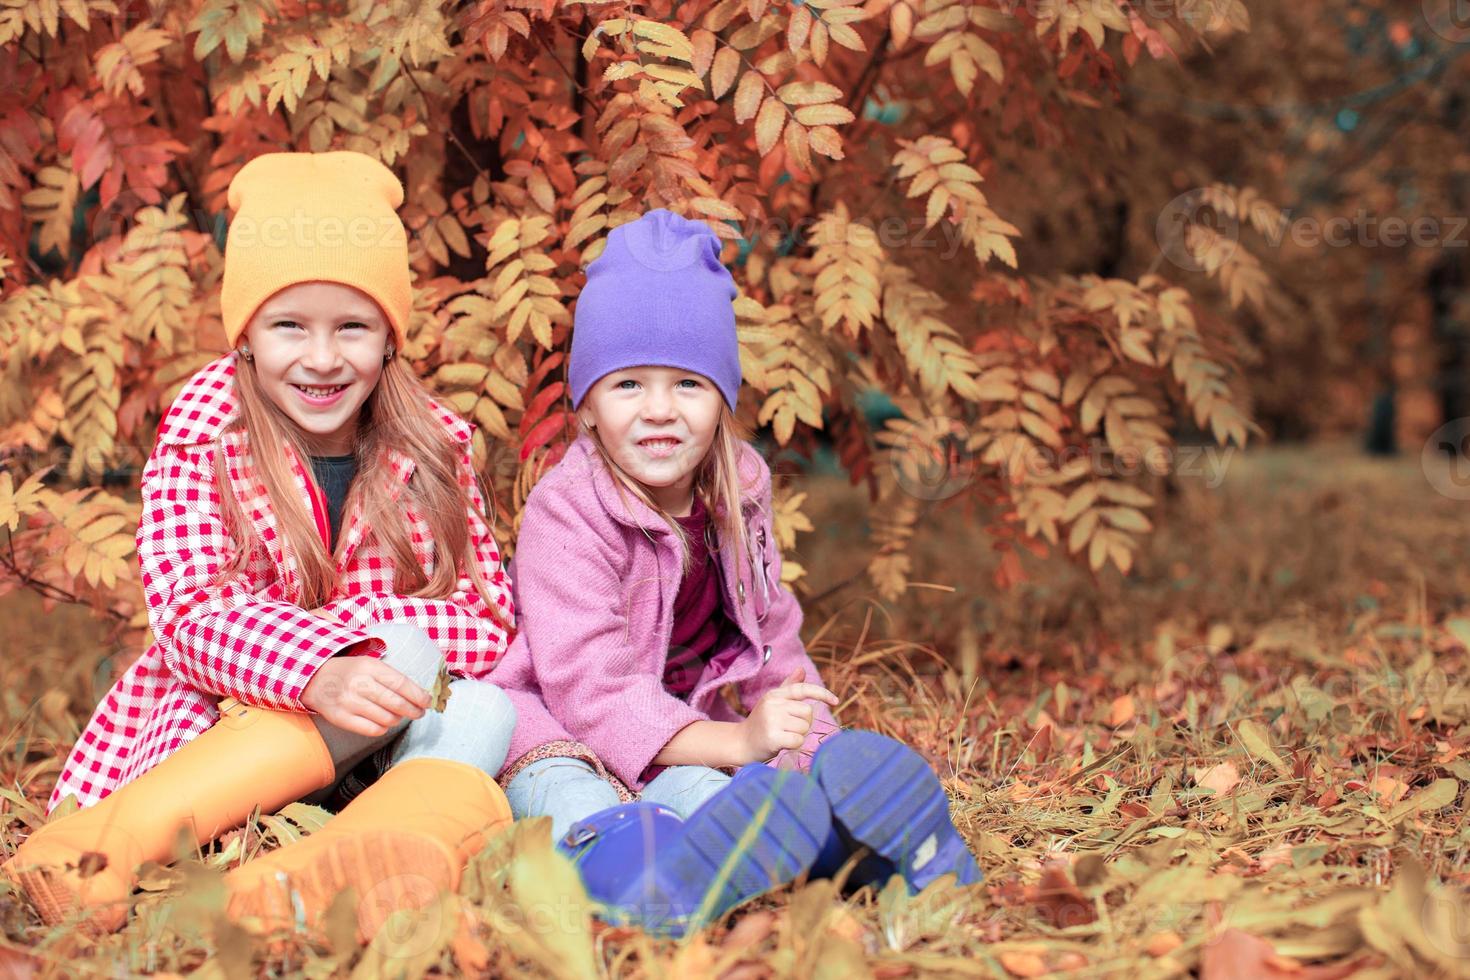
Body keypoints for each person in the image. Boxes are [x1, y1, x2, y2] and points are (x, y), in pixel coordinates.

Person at [2, 151, 518, 942]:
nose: (321, 358)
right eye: (289, 326)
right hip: (231, 733)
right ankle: (92, 851)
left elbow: (487, 619)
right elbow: (188, 612)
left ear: (390, 339)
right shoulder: (209, 429)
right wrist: (318, 664)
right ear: (245, 336)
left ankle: (302, 884)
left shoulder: (437, 444)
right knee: (410, 649)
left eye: (352, 326)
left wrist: (366, 645)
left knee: (482, 705)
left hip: (388, 731)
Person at [491, 208, 982, 937]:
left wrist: (809, 746)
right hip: (561, 729)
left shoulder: (738, 489)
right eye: (628, 385)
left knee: (717, 794)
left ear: (722, 400)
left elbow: (771, 636)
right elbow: (588, 687)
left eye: (688, 384)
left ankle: (853, 847)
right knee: (575, 798)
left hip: (681, 732)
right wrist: (733, 743)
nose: (660, 411)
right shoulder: (568, 511)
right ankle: (639, 888)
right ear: (586, 407)